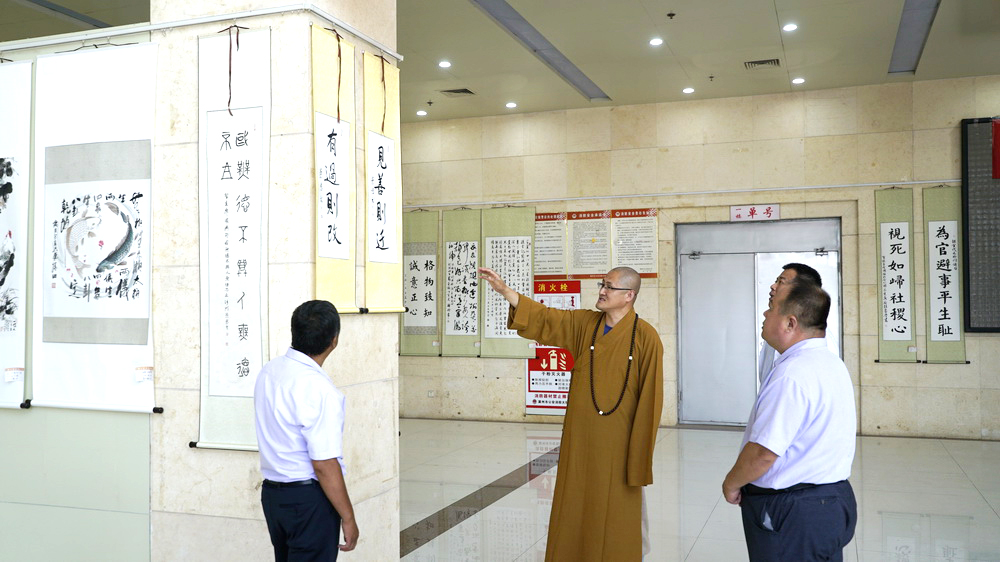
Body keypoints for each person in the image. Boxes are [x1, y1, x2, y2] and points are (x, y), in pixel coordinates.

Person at [478, 266, 663, 561]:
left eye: (609, 287)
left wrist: (639, 458)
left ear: (629, 295)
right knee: (575, 501)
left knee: (616, 509)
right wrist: (505, 292)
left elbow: (650, 400)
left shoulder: (646, 337)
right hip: (580, 437)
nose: (601, 291)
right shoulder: (585, 324)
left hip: (618, 441)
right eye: (602, 284)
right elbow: (547, 318)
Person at [723, 282, 857, 561]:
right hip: (832, 500)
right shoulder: (830, 362)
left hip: (796, 512)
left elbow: (763, 452)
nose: (764, 314)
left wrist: (732, 482)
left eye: (771, 309)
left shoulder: (793, 374)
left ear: (790, 322)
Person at [254, 300, 359, 561]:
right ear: (334, 340)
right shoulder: (320, 390)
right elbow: (323, 463)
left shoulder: (270, 371)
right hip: (308, 501)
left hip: (273, 497)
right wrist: (348, 516)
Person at [758, 263, 823, 384]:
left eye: (781, 282)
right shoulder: (773, 334)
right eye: (775, 281)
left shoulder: (818, 338)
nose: (773, 286)